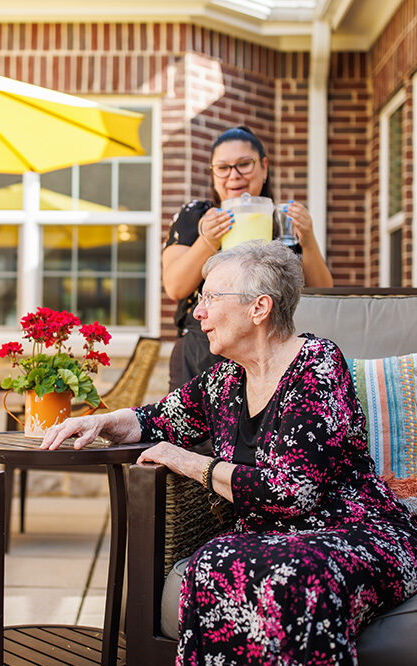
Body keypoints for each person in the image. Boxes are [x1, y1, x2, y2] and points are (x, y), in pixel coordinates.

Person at [42, 241, 417, 665]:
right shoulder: (223, 381)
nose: (198, 312)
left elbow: (293, 491)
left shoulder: (318, 365)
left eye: (210, 298)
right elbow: (154, 420)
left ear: (259, 308)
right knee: (209, 566)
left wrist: (189, 461)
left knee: (292, 580)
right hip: (267, 536)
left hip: (354, 530)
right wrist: (98, 421)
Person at [163, 125, 333, 390]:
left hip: (270, 351)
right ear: (212, 172)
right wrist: (208, 240)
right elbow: (175, 287)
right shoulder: (196, 216)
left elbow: (323, 293)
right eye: (223, 167)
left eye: (244, 164)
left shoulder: (281, 220)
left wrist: (308, 238)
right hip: (201, 348)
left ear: (264, 167)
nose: (234, 175)